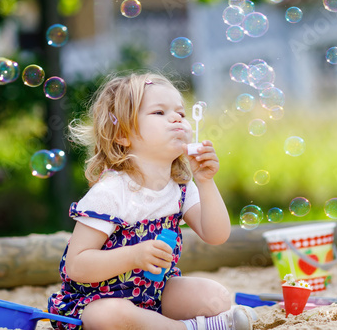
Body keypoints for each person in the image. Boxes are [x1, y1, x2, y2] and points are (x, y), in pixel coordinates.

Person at [47, 72, 257, 330]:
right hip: (98, 300)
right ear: (122, 134)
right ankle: (188, 328)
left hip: (155, 293)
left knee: (216, 297)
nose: (177, 118)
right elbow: (76, 266)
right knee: (107, 315)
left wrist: (205, 181)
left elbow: (216, 235)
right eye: (159, 113)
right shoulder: (110, 193)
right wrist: (133, 256)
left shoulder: (180, 185)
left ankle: (166, 324)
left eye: (180, 113)